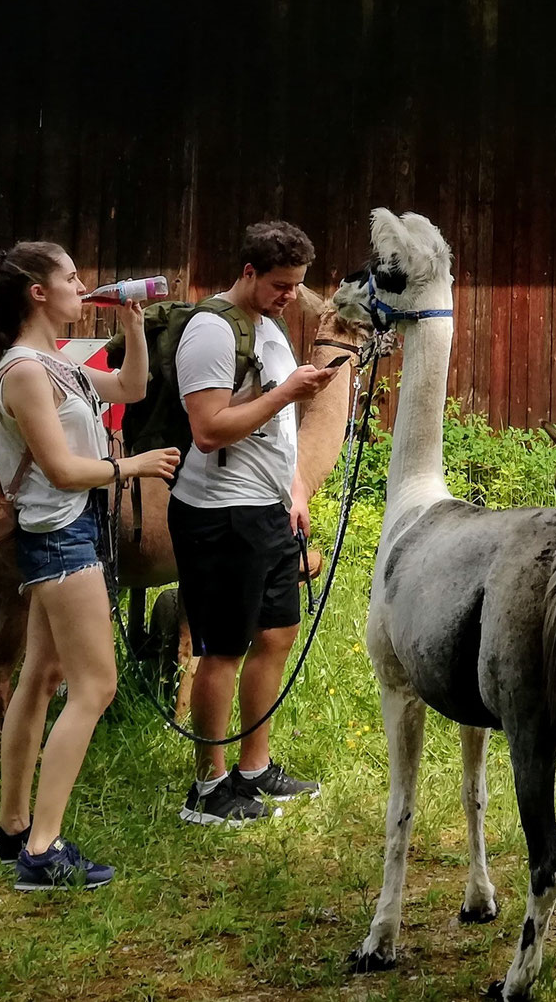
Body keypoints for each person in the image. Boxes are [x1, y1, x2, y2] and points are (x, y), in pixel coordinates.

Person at [0, 242, 181, 890]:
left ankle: (14, 829)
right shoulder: (24, 372)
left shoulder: (56, 364)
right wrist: (134, 466)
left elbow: (133, 387)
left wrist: (131, 326)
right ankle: (44, 848)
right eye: (70, 278)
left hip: (71, 529)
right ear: (38, 292)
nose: (81, 286)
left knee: (40, 676)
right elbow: (64, 471)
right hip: (62, 534)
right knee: (95, 687)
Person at [171, 220, 341, 825]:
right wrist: (288, 392)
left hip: (268, 510)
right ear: (247, 272)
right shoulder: (211, 333)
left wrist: (294, 489)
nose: (288, 296)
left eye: (295, 286)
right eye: (278, 284)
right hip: (220, 513)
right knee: (224, 648)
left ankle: (254, 766)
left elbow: (280, 433)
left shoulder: (270, 330)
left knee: (276, 636)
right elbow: (209, 427)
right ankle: (208, 789)